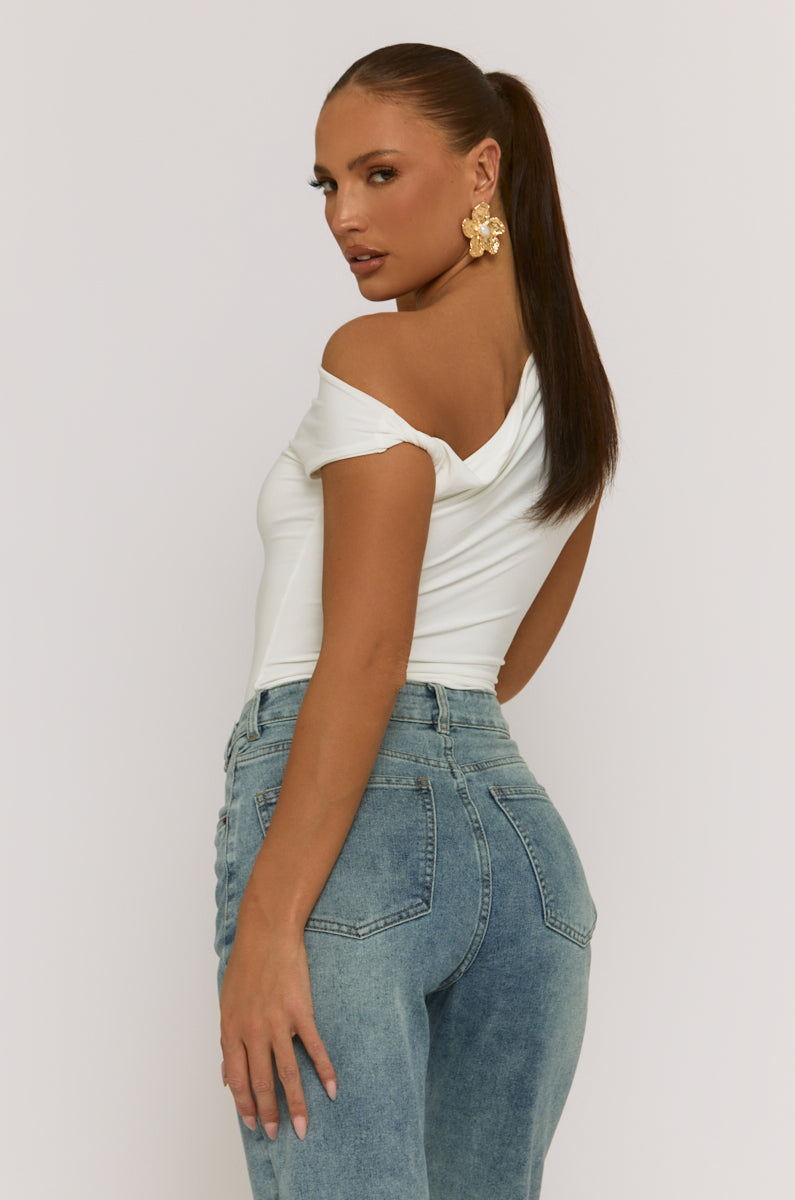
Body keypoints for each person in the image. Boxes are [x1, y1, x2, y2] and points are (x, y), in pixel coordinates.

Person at [214, 42, 618, 1200]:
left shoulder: (376, 356)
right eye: (327, 183)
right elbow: (503, 663)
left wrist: (269, 924)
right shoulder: (574, 393)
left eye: (379, 174)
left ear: (481, 171)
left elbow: (368, 653)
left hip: (351, 846)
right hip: (526, 863)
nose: (343, 215)